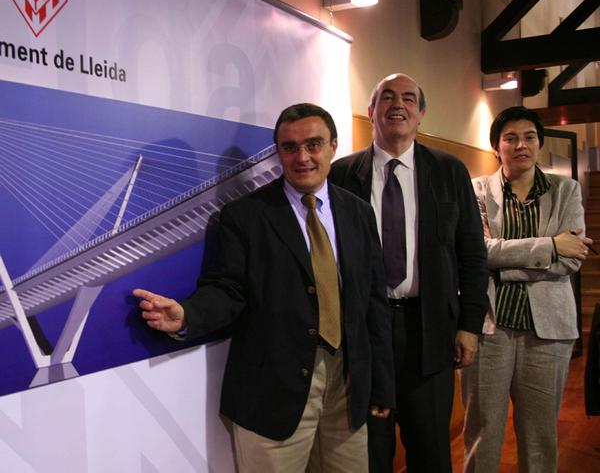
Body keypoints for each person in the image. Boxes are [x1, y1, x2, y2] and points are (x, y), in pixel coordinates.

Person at [134, 103, 395, 473]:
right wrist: (187, 315)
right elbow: (228, 290)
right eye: (290, 147)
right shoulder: (245, 216)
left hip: (348, 388)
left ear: (333, 147)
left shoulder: (358, 212)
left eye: (313, 144)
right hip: (273, 391)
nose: (302, 157)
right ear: (278, 153)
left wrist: (382, 382)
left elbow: (374, 301)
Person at [329, 73, 488, 472]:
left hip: (430, 330)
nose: (397, 104)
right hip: (365, 331)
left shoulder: (450, 171)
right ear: (371, 111)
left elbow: (472, 253)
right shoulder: (341, 175)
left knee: (431, 451)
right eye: (387, 97)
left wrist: (469, 325)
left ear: (421, 114)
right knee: (370, 452)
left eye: (408, 98)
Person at [460, 106, 593, 472]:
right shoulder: (475, 190)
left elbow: (572, 259)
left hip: (548, 331)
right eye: (511, 138)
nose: (521, 145)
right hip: (489, 328)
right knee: (482, 431)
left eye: (529, 137)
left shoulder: (566, 190)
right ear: (496, 147)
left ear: (539, 143)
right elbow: (477, 252)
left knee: (540, 435)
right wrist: (550, 246)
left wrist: (503, 266)